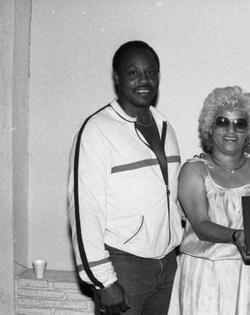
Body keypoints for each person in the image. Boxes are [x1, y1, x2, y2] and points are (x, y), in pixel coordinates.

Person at [68, 40, 184, 315]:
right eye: (134, 73)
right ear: (117, 77)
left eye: (151, 72)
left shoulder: (165, 125)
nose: (144, 80)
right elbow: (85, 209)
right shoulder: (97, 130)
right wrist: (102, 280)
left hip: (167, 265)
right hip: (124, 267)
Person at [168, 86, 250, 315]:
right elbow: (200, 225)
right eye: (222, 122)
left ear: (249, 130)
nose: (231, 130)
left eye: (240, 123)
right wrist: (237, 235)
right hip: (205, 276)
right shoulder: (194, 170)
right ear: (210, 128)